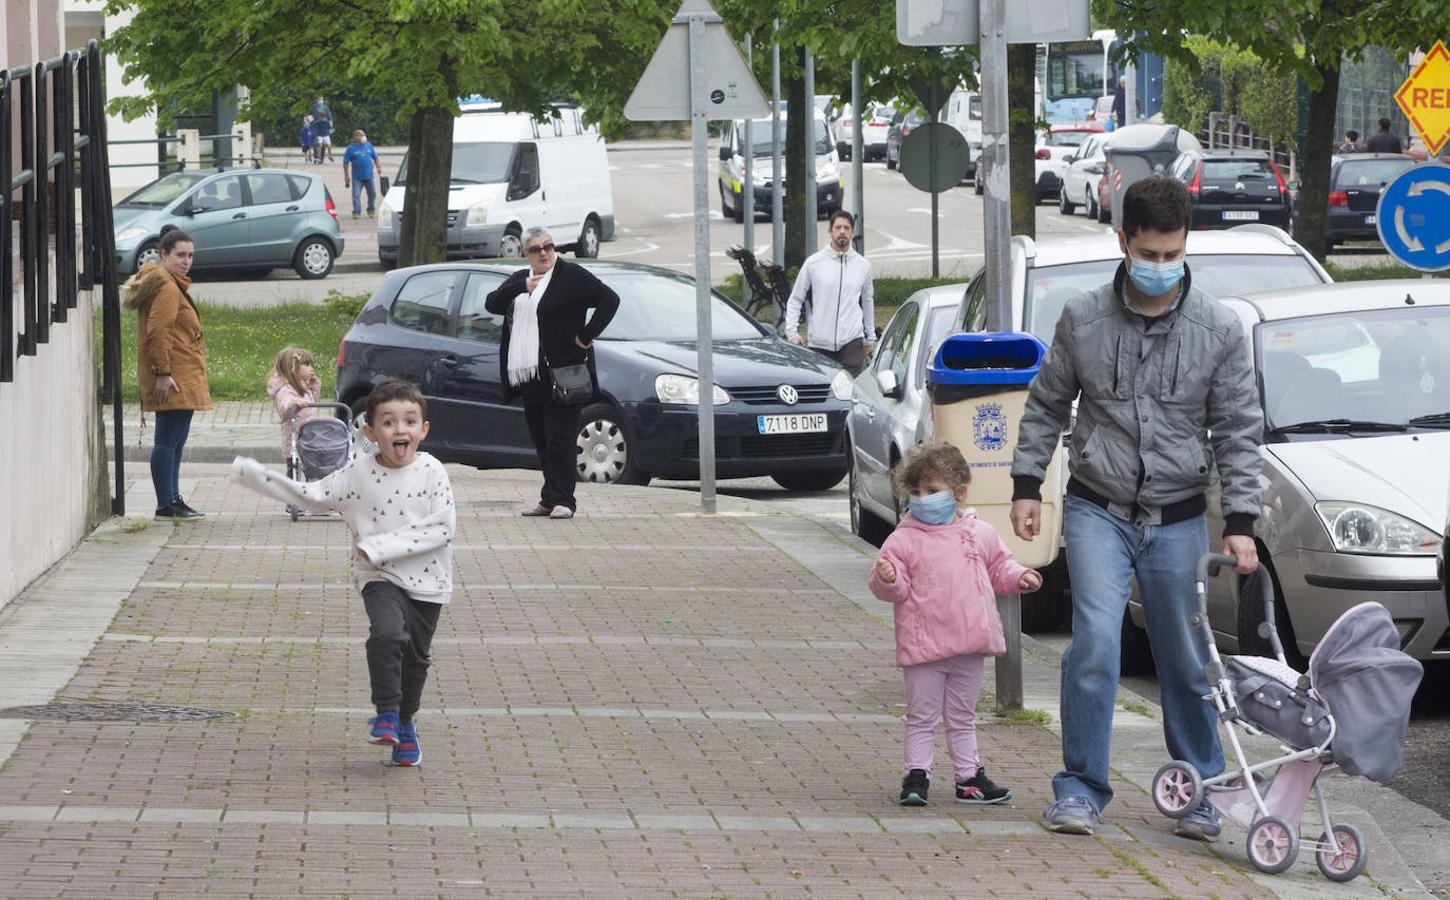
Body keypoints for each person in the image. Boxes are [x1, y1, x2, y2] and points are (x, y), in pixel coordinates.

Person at [1008, 175, 1264, 840]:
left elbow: (1238, 428)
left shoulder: (1220, 329)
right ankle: (1081, 788)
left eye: (1171, 254)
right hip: (1099, 509)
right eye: (1147, 254)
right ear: (1123, 242)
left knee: (1182, 654)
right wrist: (1027, 485)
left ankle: (1202, 789)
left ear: (1185, 245)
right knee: (1093, 641)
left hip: (1177, 516)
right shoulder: (1082, 318)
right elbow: (1046, 404)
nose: (1159, 267)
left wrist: (1240, 524)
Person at [232, 379, 455, 768]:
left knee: (416, 659)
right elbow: (312, 495)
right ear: (369, 432)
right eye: (388, 422)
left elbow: (442, 528)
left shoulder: (433, 471)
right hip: (379, 577)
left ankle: (405, 722)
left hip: (429, 580)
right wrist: (257, 477)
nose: (399, 430)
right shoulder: (357, 474)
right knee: (387, 634)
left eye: (409, 421)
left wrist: (378, 545)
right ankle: (386, 713)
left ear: (424, 429)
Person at [869, 441, 1042, 808]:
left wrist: (1020, 577)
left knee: (963, 715)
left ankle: (968, 777)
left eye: (932, 491)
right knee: (922, 715)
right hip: (925, 647)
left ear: (959, 492)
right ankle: (917, 775)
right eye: (915, 492)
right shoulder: (903, 538)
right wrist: (887, 577)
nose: (922, 499)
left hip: (969, 644)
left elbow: (999, 567)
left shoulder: (979, 533)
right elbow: (894, 589)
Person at [485, 226, 620, 519]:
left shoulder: (571, 276)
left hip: (565, 373)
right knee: (542, 439)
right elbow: (492, 303)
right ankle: (548, 497)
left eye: (549, 246)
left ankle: (564, 500)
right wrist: (522, 286)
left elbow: (610, 301)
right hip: (531, 375)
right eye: (536, 248)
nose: (544, 252)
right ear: (526, 254)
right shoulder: (521, 279)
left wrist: (586, 336)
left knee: (560, 439)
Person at [122, 224, 212, 519]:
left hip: (181, 372)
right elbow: (158, 331)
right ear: (164, 254)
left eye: (190, 255)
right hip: (174, 375)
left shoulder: (170, 283)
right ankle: (166, 503)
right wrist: (163, 372)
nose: (186, 261)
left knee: (176, 440)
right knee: (167, 440)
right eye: (180, 255)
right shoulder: (166, 286)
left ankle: (173, 498)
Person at [784, 210, 876, 376]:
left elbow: (868, 301)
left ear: (852, 233)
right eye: (838, 227)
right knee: (823, 394)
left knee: (848, 393)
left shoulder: (863, 265)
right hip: (819, 343)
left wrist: (870, 338)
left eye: (847, 228)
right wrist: (792, 332)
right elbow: (796, 298)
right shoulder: (814, 263)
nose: (842, 231)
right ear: (830, 231)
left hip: (852, 342)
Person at [267, 345, 321, 458]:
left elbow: (313, 402)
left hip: (309, 438)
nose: (311, 368)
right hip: (294, 441)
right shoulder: (285, 390)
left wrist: (314, 386)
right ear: (294, 368)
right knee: (293, 471)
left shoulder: (305, 387)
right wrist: (295, 402)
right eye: (307, 365)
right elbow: (285, 403)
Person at [342, 129, 382, 218]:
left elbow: (375, 157)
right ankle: (356, 212)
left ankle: (371, 210)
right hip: (357, 177)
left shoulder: (369, 146)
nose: (363, 137)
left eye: (363, 135)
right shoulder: (351, 148)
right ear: (355, 137)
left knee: (372, 194)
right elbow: (345, 162)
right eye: (360, 135)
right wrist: (346, 175)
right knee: (356, 195)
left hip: (369, 176)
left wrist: (378, 167)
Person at [311, 97, 335, 163]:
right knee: (318, 145)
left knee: (324, 146)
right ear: (316, 100)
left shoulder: (326, 108)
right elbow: (310, 116)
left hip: (325, 131)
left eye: (321, 99)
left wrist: (331, 126)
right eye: (319, 99)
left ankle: (321, 158)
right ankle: (317, 157)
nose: (320, 101)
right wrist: (310, 125)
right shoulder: (313, 108)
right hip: (317, 130)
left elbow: (330, 117)